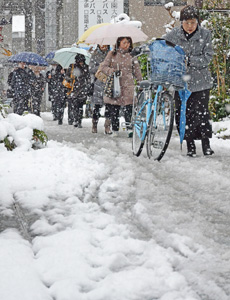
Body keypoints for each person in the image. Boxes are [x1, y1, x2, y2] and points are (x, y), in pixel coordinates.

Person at [164, 5, 214, 157]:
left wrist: (189, 60)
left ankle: (206, 144)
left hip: (201, 82)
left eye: (193, 22)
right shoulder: (174, 34)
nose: (190, 26)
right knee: (183, 114)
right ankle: (189, 145)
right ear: (181, 23)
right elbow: (164, 49)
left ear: (198, 22)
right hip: (181, 82)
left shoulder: (205, 34)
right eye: (187, 23)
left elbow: (208, 56)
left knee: (202, 114)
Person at [100, 37, 142, 137]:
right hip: (116, 84)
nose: (126, 45)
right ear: (119, 43)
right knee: (114, 109)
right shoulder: (112, 54)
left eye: (128, 42)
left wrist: (140, 82)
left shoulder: (132, 55)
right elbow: (103, 67)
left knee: (129, 109)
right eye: (124, 42)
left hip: (128, 85)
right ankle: (115, 129)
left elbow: (137, 70)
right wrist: (112, 71)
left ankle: (129, 129)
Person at [89, 44, 111, 133]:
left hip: (109, 82)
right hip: (98, 82)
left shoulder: (111, 54)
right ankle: (94, 125)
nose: (103, 46)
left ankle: (107, 125)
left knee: (109, 106)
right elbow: (90, 69)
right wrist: (100, 67)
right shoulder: (94, 55)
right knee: (97, 106)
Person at [65, 53, 91, 128]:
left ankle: (79, 121)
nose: (81, 63)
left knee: (80, 106)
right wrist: (71, 79)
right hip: (74, 89)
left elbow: (88, 77)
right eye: (80, 61)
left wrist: (88, 86)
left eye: (82, 61)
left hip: (83, 89)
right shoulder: (72, 67)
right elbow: (67, 76)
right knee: (74, 106)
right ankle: (75, 120)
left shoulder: (86, 67)